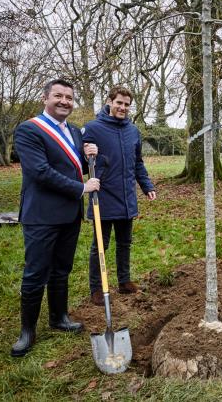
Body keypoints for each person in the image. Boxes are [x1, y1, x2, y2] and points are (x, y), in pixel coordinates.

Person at [12, 79, 99, 357]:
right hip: (42, 214)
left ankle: (58, 317)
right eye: (58, 96)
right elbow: (40, 171)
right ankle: (27, 331)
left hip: (68, 214)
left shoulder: (73, 131)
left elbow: (73, 165)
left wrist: (88, 158)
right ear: (45, 97)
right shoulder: (29, 130)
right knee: (37, 271)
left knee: (62, 269)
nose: (64, 101)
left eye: (69, 98)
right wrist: (81, 188)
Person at [83, 86, 156, 306]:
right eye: (119, 103)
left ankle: (124, 281)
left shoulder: (133, 131)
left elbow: (138, 162)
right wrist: (86, 153)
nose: (122, 107)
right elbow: (78, 158)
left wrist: (146, 185)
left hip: (126, 197)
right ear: (109, 102)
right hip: (103, 197)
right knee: (100, 245)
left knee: (125, 243)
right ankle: (97, 288)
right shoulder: (93, 128)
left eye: (126, 104)